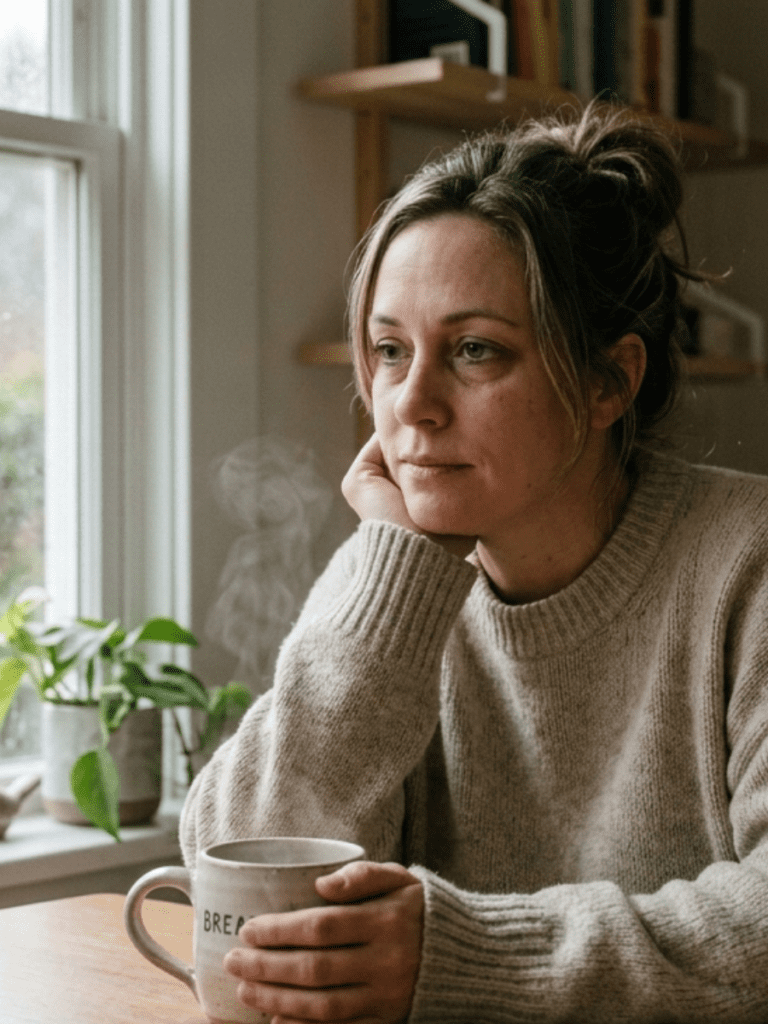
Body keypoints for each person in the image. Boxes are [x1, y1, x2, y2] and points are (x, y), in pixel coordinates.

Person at [179, 102, 768, 1023]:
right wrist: (395, 584)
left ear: (612, 379)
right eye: (388, 350)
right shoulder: (391, 583)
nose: (409, 404)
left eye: (474, 350)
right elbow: (236, 875)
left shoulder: (749, 565)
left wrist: (466, 956)